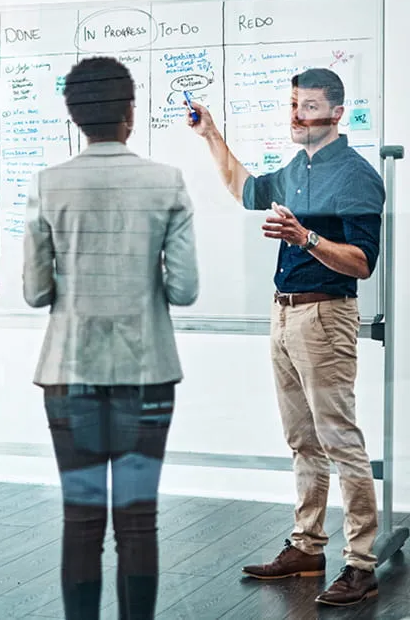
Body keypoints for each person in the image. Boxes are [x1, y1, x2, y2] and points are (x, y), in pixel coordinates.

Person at [188, 67, 384, 606]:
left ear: (336, 113)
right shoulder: (298, 168)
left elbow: (362, 262)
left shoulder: (356, 176)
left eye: (310, 106)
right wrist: (210, 135)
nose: (298, 115)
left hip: (326, 317)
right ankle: (307, 546)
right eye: (294, 104)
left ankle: (361, 565)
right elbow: (246, 190)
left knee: (340, 441)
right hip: (284, 315)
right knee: (302, 440)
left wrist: (307, 237)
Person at [23, 56, 199, 620]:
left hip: (68, 371)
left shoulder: (48, 184)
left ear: (74, 115)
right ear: (130, 111)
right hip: (147, 370)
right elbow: (185, 289)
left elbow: (34, 291)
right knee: (138, 521)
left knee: (80, 520)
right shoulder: (166, 181)